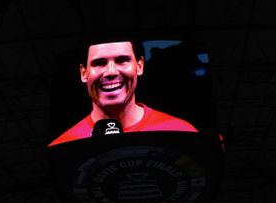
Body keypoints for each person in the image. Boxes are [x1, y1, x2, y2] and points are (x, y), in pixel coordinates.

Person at [48, 40, 198, 146]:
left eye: (122, 60)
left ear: (139, 66)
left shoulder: (182, 133)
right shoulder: (63, 146)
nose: (111, 72)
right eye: (99, 63)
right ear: (83, 72)